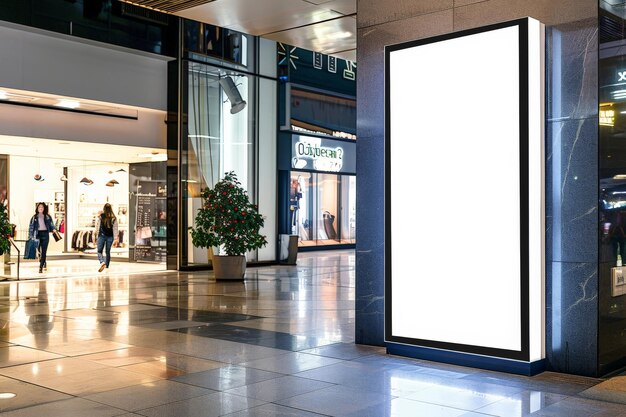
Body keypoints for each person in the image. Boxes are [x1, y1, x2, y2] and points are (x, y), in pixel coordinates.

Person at [28, 202, 57, 273]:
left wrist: (53, 229)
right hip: (37, 235)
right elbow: (31, 227)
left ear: (44, 208)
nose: (41, 208)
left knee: (44, 251)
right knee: (39, 251)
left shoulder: (47, 216)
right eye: (39, 207)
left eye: (42, 207)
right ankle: (43, 261)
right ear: (37, 208)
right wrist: (30, 236)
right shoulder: (34, 217)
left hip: (45, 234)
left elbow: (51, 224)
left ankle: (40, 267)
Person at [94, 203, 119, 272]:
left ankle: (102, 262)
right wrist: (116, 238)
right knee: (107, 251)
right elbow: (115, 229)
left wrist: (96, 235)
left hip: (101, 235)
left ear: (104, 209)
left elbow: (97, 226)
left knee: (99, 251)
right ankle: (107, 265)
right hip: (110, 237)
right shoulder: (114, 218)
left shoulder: (101, 216)